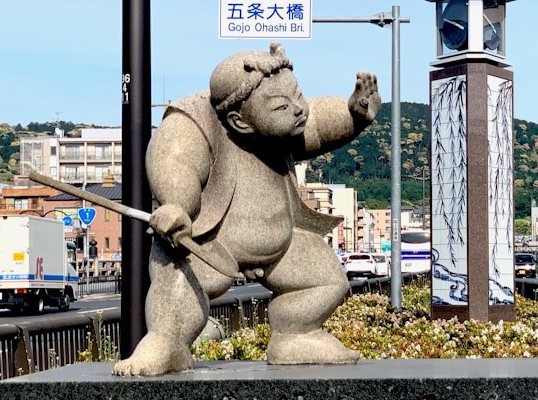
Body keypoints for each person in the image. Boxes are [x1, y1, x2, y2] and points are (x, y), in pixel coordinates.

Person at [114, 43, 380, 376]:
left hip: (282, 244)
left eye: (298, 96)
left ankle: (295, 335)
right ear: (240, 121)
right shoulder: (194, 121)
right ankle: (167, 343)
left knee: (327, 280)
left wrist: (354, 113)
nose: (298, 109)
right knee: (177, 278)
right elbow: (175, 161)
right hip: (210, 242)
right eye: (283, 106)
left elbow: (318, 121)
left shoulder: (285, 128)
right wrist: (177, 207)